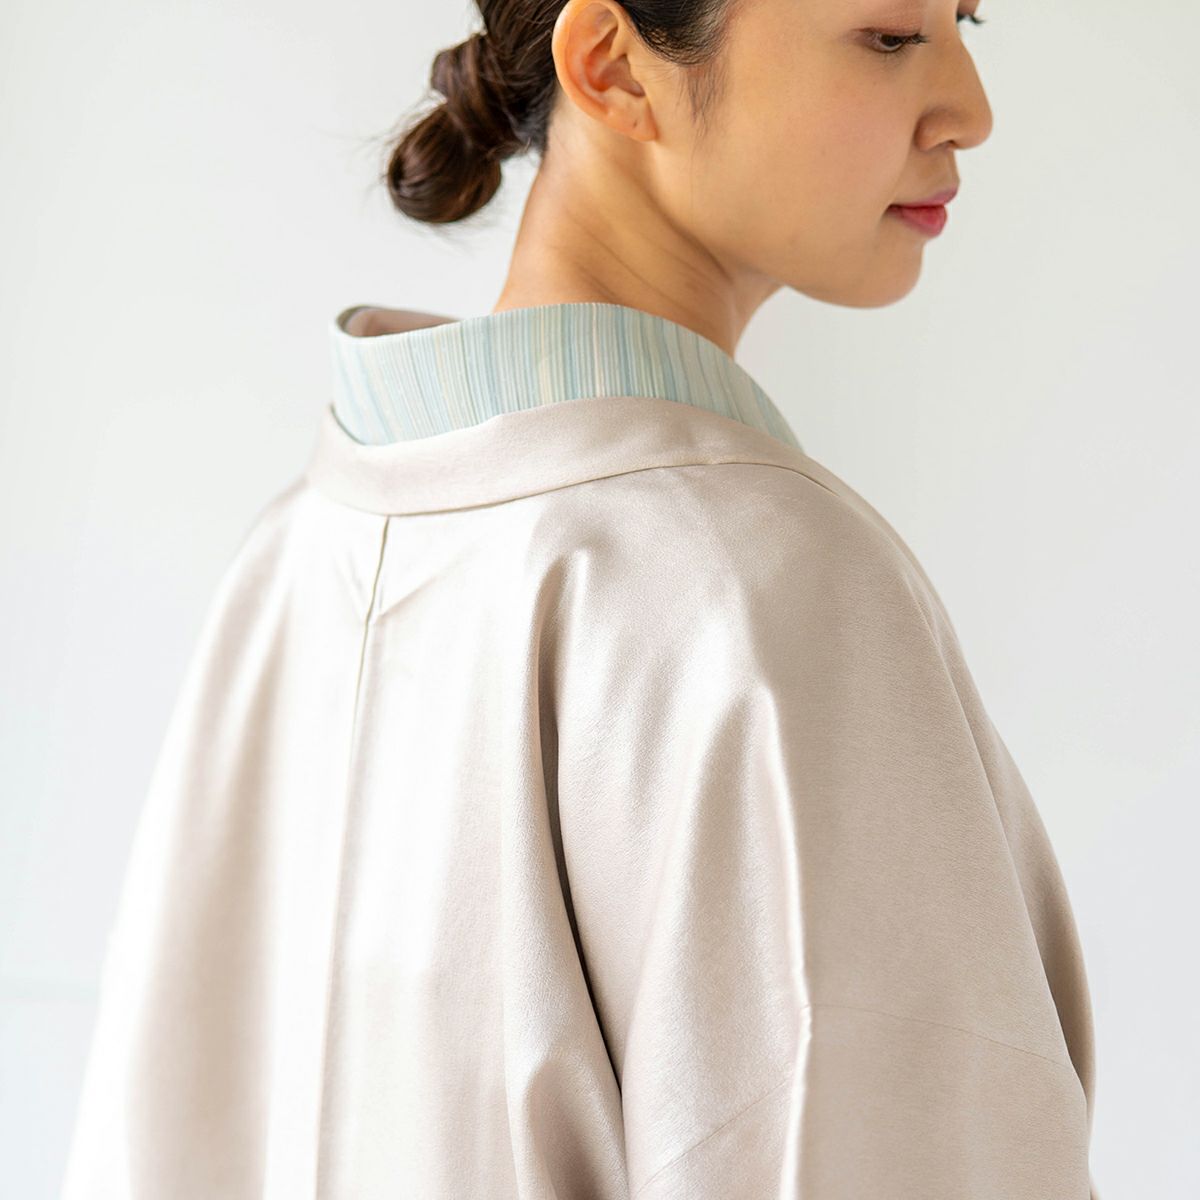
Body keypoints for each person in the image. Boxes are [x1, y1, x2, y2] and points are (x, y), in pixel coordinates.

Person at [62, 1, 1101, 1197]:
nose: (971, 109)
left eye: (964, 20)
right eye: (890, 34)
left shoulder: (292, 553)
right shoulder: (764, 587)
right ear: (614, 68)